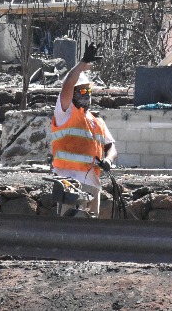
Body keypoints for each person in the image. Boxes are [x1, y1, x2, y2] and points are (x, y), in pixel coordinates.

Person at [50, 42, 117, 216]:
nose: (86, 95)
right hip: (70, 184)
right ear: (73, 94)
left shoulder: (97, 121)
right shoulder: (66, 113)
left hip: (92, 185)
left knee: (90, 229)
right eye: (81, 92)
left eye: (88, 92)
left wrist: (109, 160)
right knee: (69, 226)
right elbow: (67, 85)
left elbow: (111, 146)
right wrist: (82, 64)